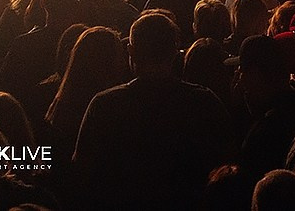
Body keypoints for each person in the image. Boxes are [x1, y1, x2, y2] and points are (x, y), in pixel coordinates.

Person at [72, 12, 232, 208]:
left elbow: (83, 171)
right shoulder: (204, 102)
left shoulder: (105, 105)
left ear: (131, 51)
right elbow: (227, 168)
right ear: (175, 52)